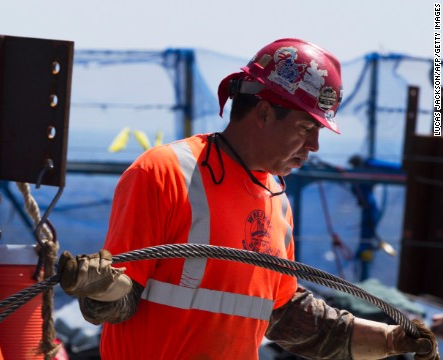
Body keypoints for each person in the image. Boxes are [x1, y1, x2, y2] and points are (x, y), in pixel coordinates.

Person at [57, 38, 440, 359]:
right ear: (262, 112)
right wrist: (99, 287)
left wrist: (390, 341)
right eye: (306, 126)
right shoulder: (165, 173)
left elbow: (288, 316)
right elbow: (116, 304)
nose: (315, 145)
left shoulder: (276, 202)